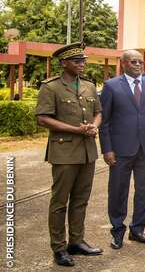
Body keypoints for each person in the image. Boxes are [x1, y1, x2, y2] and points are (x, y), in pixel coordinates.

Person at [35, 42, 103, 267]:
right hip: (64, 151)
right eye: (77, 61)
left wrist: (94, 126)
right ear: (64, 63)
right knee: (60, 202)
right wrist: (76, 130)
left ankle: (77, 241)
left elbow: (98, 113)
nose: (82, 64)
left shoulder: (88, 86)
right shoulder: (50, 87)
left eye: (83, 61)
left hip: (87, 151)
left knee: (81, 200)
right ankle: (59, 247)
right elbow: (43, 118)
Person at [99, 50, 145, 250]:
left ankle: (137, 229)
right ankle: (117, 231)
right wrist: (107, 149)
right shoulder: (111, 86)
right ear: (123, 63)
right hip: (120, 150)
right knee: (118, 191)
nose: (138, 65)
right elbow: (105, 121)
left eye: (140, 62)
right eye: (133, 61)